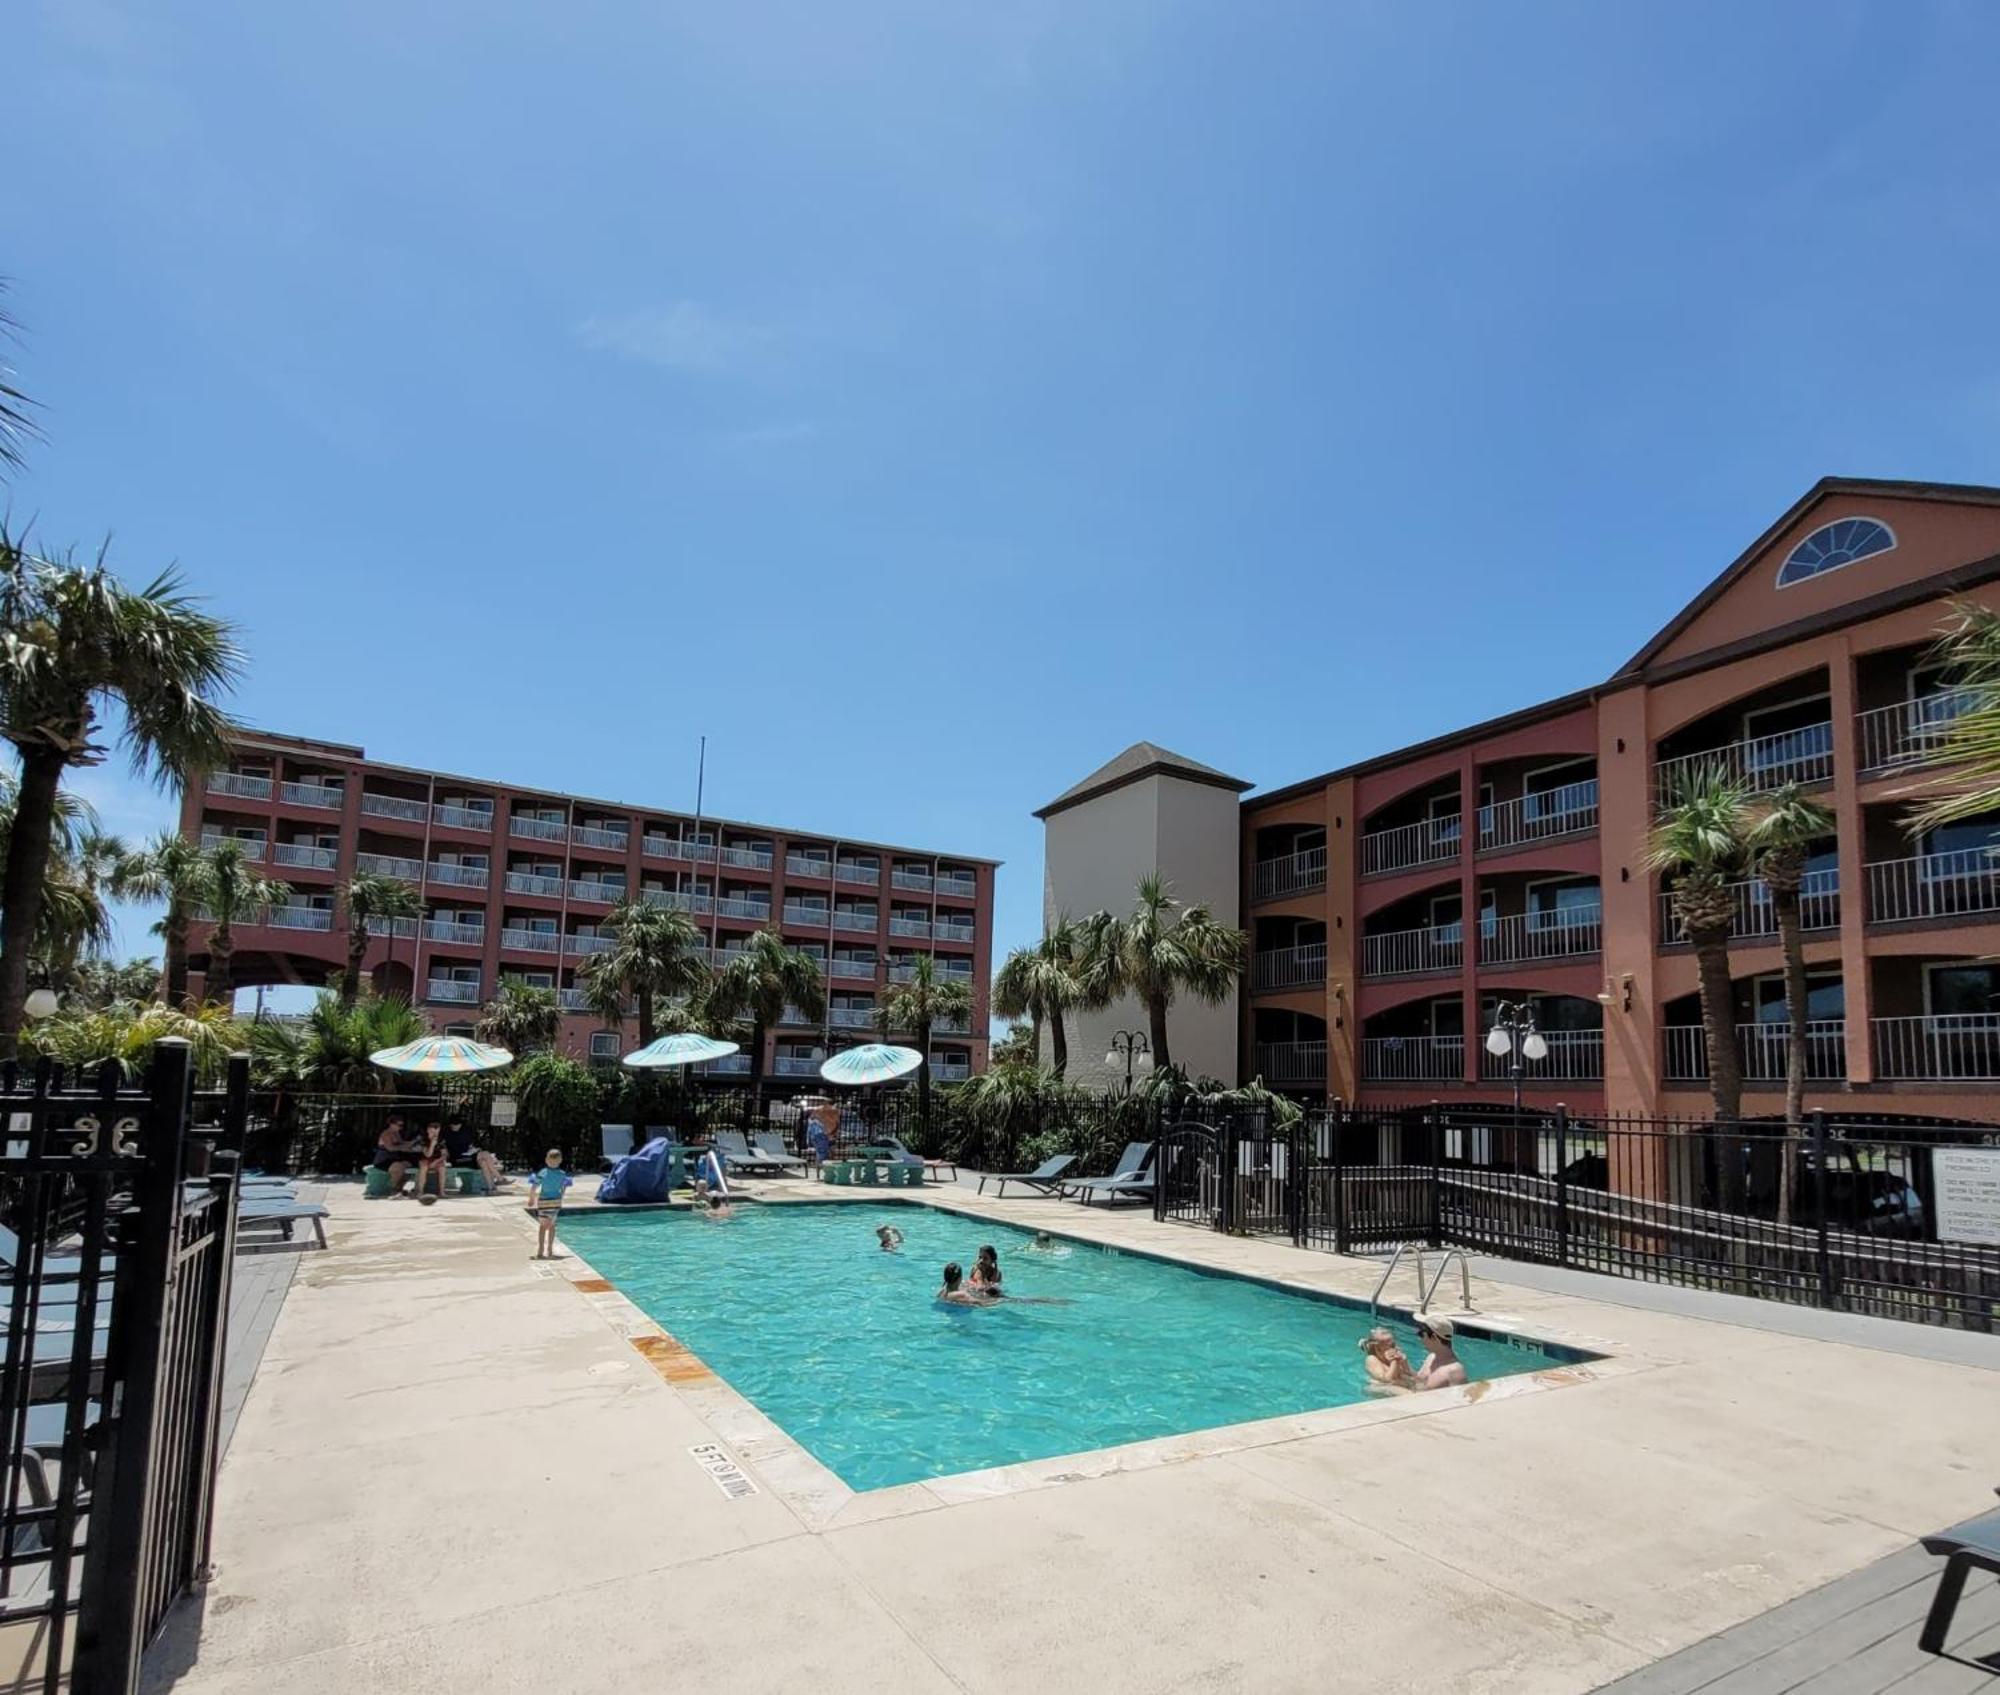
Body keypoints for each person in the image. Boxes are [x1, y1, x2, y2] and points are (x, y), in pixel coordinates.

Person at [443, 1116, 507, 1192]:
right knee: (485, 1153)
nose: (457, 1126)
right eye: (455, 1124)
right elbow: (448, 1151)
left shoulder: (464, 1133)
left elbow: (469, 1146)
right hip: (457, 1160)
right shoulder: (447, 1134)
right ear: (451, 1125)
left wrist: (474, 1150)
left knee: (483, 1162)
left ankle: (491, 1187)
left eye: (458, 1124)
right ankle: (500, 1178)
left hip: (468, 1157)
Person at [527, 1149, 571, 1259]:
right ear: (560, 1160)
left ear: (546, 1160)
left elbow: (534, 1186)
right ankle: (550, 1250)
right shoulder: (562, 1174)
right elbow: (563, 1188)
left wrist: (531, 1198)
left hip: (544, 1202)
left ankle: (541, 1250)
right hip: (555, 1202)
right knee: (551, 1226)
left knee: (542, 1226)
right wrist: (561, 1197)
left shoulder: (543, 1172)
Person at [370, 1115, 424, 1196]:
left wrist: (414, 1143)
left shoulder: (396, 1133)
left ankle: (399, 1189)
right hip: (383, 1160)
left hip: (394, 1159)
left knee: (410, 1166)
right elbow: (390, 1148)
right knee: (398, 1167)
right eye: (399, 1125)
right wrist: (405, 1148)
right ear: (392, 1124)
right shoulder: (386, 1134)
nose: (401, 1128)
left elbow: (402, 1143)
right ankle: (394, 1190)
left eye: (402, 1125)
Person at [1411, 1316, 1468, 1390]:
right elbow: (1418, 1382)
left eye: (1421, 1335)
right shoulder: (1431, 1358)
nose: (1420, 1339)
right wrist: (1404, 1364)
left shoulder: (1455, 1371)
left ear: (1434, 1337)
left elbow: (1459, 1400)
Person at [414, 1119, 449, 1205]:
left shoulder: (441, 1140)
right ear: (428, 1130)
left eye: (437, 1132)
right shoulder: (423, 1140)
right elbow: (428, 1155)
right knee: (424, 1166)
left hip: (436, 1160)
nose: (435, 1134)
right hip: (425, 1159)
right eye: (433, 1132)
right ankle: (420, 1191)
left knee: (442, 1168)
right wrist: (432, 1145)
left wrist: (436, 1162)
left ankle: (442, 1192)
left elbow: (444, 1154)